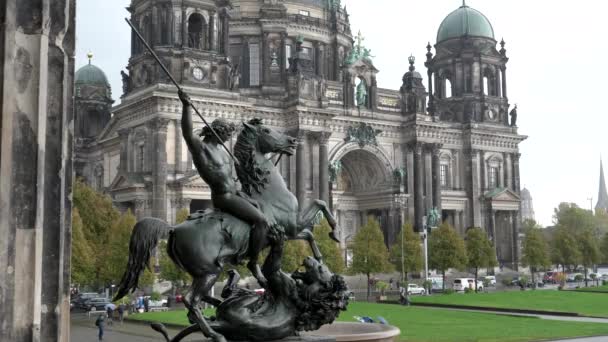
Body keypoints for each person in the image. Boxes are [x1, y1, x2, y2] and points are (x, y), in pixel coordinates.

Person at [179, 90, 272, 283]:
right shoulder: (202, 149)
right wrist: (187, 106)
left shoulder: (222, 152)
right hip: (224, 197)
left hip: (235, 193)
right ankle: (254, 262)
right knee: (261, 221)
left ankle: (242, 249)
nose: (228, 138)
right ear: (218, 132)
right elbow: (187, 133)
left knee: (263, 209)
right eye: (227, 134)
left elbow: (231, 179)